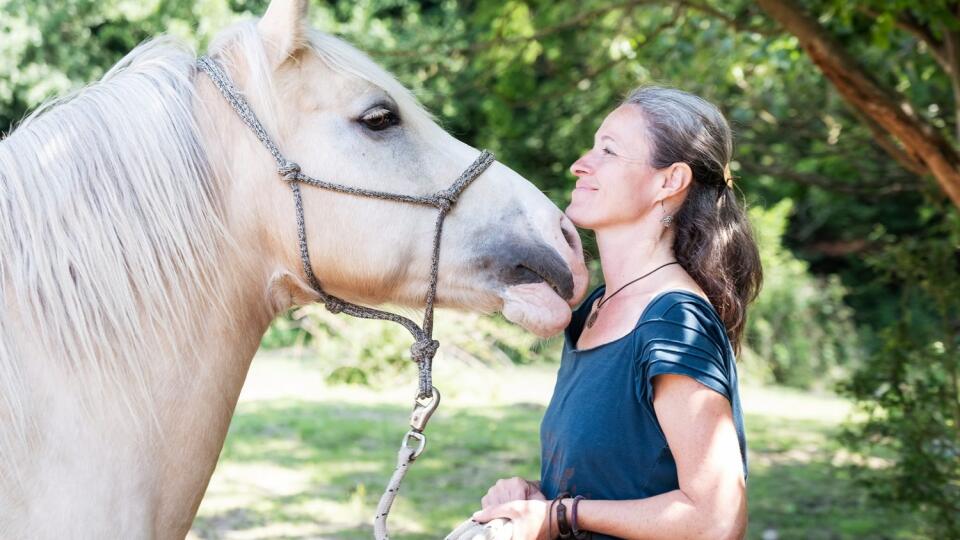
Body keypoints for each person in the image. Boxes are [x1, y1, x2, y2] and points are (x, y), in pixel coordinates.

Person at [472, 86, 762, 540]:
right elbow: (610, 484)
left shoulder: (674, 323)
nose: (580, 164)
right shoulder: (595, 310)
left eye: (609, 150)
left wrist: (559, 516)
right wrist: (534, 500)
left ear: (670, 181)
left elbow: (717, 519)